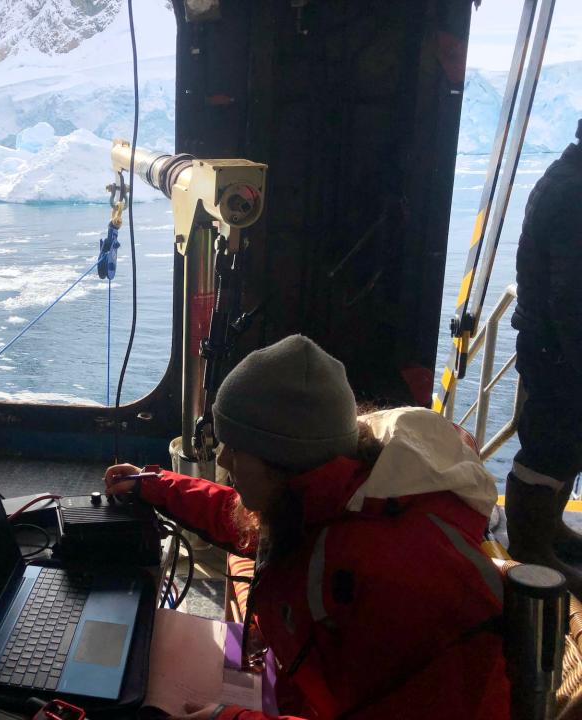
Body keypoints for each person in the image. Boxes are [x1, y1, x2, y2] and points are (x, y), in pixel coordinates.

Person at [105, 335, 507, 720]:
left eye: (236, 449)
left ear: (283, 462)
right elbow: (243, 517)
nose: (224, 461)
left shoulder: (386, 574)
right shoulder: (337, 490)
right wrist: (153, 485)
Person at [504, 119, 582, 594]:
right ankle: (529, 545)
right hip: (559, 351)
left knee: (567, 442)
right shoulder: (573, 193)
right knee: (549, 445)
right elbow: (571, 296)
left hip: (553, 345)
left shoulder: (565, 178)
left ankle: (549, 530)